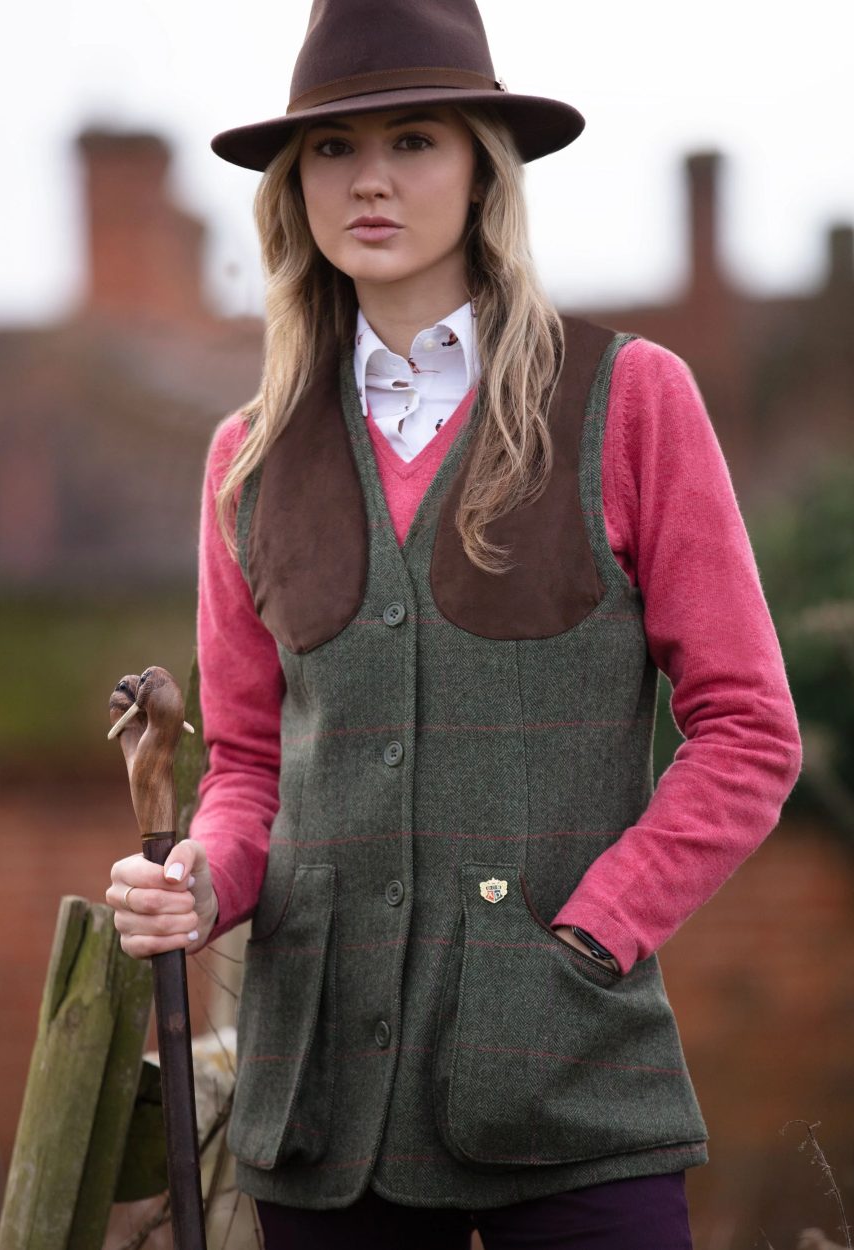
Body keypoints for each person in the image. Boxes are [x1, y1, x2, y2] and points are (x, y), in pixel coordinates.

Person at [106, 1, 803, 1245]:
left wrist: (596, 929)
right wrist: (200, 880)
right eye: (331, 148)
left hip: (572, 1073)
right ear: (293, 184)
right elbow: (254, 767)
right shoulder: (246, 460)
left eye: (414, 139)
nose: (368, 178)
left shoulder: (630, 400)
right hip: (322, 1104)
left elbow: (748, 728)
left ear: (484, 166)